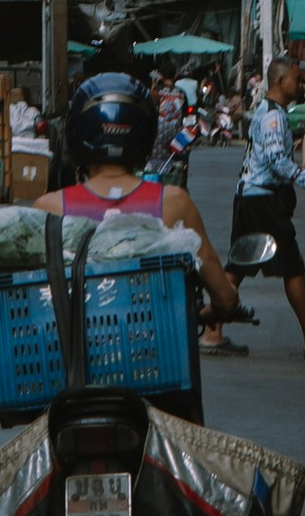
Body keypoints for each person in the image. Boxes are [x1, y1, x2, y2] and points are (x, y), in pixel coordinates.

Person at [35, 124, 239, 378]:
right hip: (155, 366)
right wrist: (211, 311)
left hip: (68, 369)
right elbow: (226, 299)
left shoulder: (49, 206)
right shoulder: (174, 201)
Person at [233, 74, 305, 358]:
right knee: (292, 267)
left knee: (238, 264)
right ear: (281, 79)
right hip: (263, 199)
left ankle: (212, 331)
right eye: (296, 79)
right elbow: (277, 162)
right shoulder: (274, 117)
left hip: (251, 196)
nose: (301, 85)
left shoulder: (268, 111)